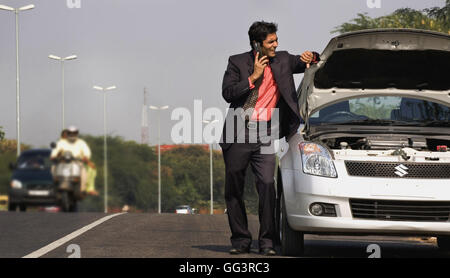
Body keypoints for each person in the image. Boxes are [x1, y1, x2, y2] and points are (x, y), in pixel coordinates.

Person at [219, 21, 319, 256]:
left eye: (276, 40)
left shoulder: (283, 60)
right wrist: (253, 77)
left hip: (265, 131)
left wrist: (311, 55)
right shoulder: (237, 62)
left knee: (266, 184)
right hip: (238, 129)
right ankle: (241, 241)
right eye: (271, 41)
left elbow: (310, 61)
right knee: (234, 188)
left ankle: (267, 243)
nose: (276, 44)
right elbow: (227, 93)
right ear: (257, 44)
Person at [50, 126, 95, 195]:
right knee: (53, 168)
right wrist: (53, 156)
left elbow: (86, 152)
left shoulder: (81, 143)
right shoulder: (61, 142)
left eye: (74, 133)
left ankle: (82, 190)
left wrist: (85, 157)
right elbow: (55, 151)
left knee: (83, 173)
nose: (72, 135)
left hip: (77, 162)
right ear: (67, 133)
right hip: (62, 162)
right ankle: (54, 188)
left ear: (77, 133)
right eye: (70, 133)